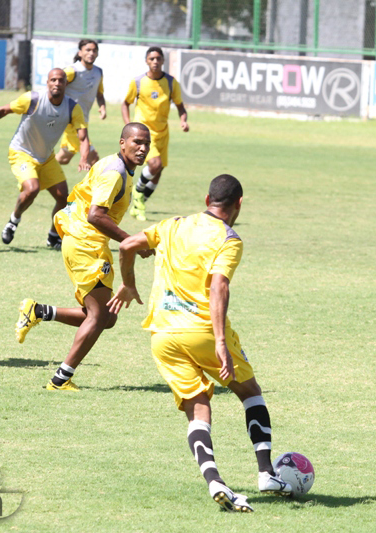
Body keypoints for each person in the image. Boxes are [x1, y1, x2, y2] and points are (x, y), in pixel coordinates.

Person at [108, 175, 292, 512]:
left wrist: (129, 284)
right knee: (249, 391)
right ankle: (266, 472)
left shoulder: (174, 225)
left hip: (162, 334)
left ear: (207, 198)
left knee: (198, 407)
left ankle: (216, 482)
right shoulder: (229, 239)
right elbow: (218, 286)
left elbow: (126, 245)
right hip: (203, 331)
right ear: (239, 204)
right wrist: (220, 342)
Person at [14, 123, 150, 390]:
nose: (143, 148)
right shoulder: (115, 172)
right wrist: (132, 241)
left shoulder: (117, 165)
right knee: (99, 318)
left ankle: (38, 311)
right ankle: (60, 380)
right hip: (85, 243)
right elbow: (95, 215)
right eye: (137, 142)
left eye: (146, 143)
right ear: (123, 143)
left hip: (81, 239)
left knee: (106, 317)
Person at [0, 68, 90, 249]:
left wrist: (84, 157)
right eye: (53, 80)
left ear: (65, 84)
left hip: (46, 157)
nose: (56, 83)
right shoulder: (33, 99)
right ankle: (13, 221)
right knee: (32, 189)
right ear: (47, 83)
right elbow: (3, 110)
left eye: (60, 80)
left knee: (64, 198)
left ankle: (53, 236)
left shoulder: (72, 108)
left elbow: (83, 136)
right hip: (21, 152)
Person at [121, 46, 189, 222]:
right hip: (144, 132)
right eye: (152, 59)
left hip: (162, 133)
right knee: (154, 164)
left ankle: (139, 202)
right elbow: (125, 103)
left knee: (158, 172)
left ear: (163, 61)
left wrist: (183, 120)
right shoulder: (138, 82)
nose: (155, 62)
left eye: (158, 59)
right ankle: (137, 193)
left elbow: (180, 105)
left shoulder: (171, 83)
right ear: (146, 61)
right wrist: (128, 124)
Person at [56, 39, 106, 169]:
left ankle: (42, 168)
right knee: (93, 158)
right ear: (80, 53)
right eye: (88, 50)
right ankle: (92, 189)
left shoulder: (98, 72)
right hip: (71, 121)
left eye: (94, 50)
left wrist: (102, 106)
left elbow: (99, 94)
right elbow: (54, 87)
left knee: (64, 158)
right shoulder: (72, 71)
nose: (91, 53)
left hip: (83, 120)